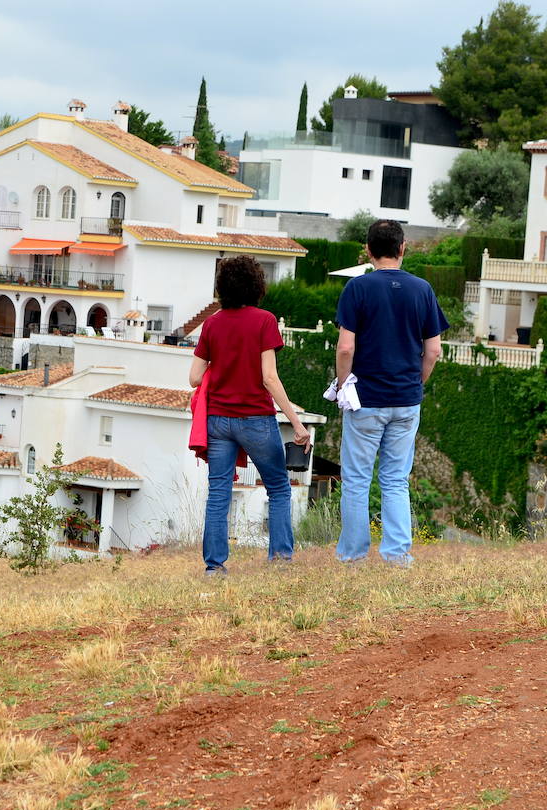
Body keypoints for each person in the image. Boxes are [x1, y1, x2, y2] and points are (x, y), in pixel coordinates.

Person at [333, 220, 447, 565]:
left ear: (368, 250)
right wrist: (417, 384)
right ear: (403, 248)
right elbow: (434, 351)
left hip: (366, 398)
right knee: (395, 479)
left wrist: (342, 387)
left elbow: (345, 349)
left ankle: (352, 556)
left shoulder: (358, 288)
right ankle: (397, 554)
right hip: (406, 398)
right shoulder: (423, 289)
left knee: (356, 479)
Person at [189, 256, 310, 575]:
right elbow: (269, 377)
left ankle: (214, 567)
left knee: (218, 493)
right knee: (279, 487)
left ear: (223, 286)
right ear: (256, 285)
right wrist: (297, 424)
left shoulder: (212, 323)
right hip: (256, 419)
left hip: (218, 421)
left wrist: (223, 367)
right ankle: (281, 560)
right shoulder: (264, 321)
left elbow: (194, 378)